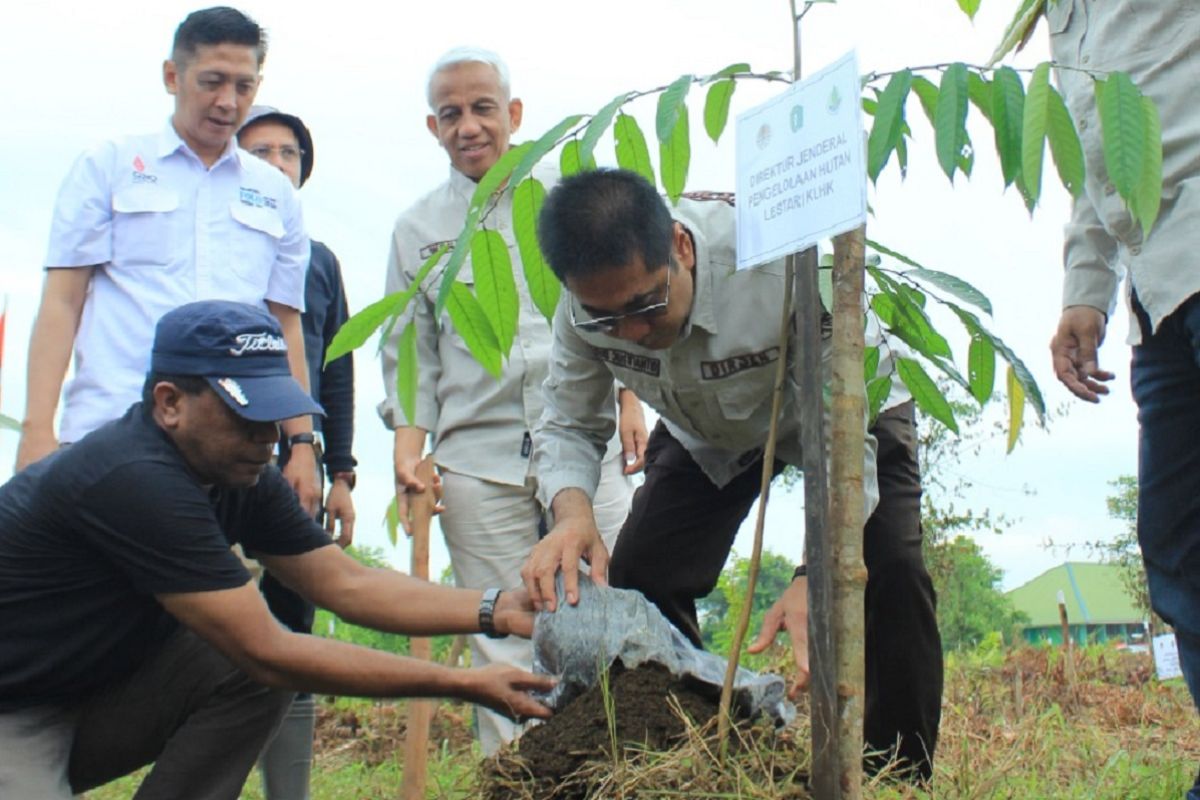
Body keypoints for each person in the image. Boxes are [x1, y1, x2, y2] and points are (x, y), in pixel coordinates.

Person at [0, 300, 552, 800]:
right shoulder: (134, 478)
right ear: (169, 404)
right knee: (263, 656)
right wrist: (466, 684)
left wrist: (496, 608)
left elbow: (345, 584)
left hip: (93, 692)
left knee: (244, 668)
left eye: (275, 415)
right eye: (246, 415)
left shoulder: (237, 474)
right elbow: (267, 648)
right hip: (14, 708)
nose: (267, 438)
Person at [523, 169, 941, 779]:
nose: (634, 333)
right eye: (607, 318)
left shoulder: (786, 269)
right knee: (644, 576)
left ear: (681, 247)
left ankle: (898, 773)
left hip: (845, 410)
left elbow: (841, 439)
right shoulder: (584, 308)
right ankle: (691, 754)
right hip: (707, 427)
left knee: (891, 570)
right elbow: (566, 419)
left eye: (647, 305)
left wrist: (813, 573)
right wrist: (573, 514)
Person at [379, 47, 642, 755]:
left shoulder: (563, 199)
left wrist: (629, 400)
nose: (468, 126)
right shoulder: (417, 230)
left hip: (588, 455)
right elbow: (409, 352)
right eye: (451, 114)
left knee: (619, 615)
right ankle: (515, 777)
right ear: (433, 128)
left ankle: (625, 766)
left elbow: (611, 303)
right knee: (500, 636)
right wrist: (411, 447)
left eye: (482, 108)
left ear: (514, 113)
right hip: (476, 459)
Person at [15, 6, 321, 516]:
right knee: (92, 590)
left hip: (230, 445)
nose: (228, 102)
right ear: (172, 76)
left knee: (218, 587)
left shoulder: (276, 194)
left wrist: (302, 446)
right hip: (110, 429)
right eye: (212, 81)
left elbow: (284, 324)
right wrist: (37, 430)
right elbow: (63, 303)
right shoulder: (108, 167)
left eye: (244, 86)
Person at [1046, 4, 1200, 798]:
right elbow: (1093, 159)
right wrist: (1086, 292)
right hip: (1157, 291)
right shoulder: (1062, 15)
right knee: (1178, 547)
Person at [237, 105, 357, 799]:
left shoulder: (317, 262)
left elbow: (332, 367)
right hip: (216, 464)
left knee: (294, 622)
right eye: (259, 152)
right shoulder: (214, 245)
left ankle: (291, 791)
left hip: (297, 465)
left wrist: (337, 468)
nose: (275, 163)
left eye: (288, 153)